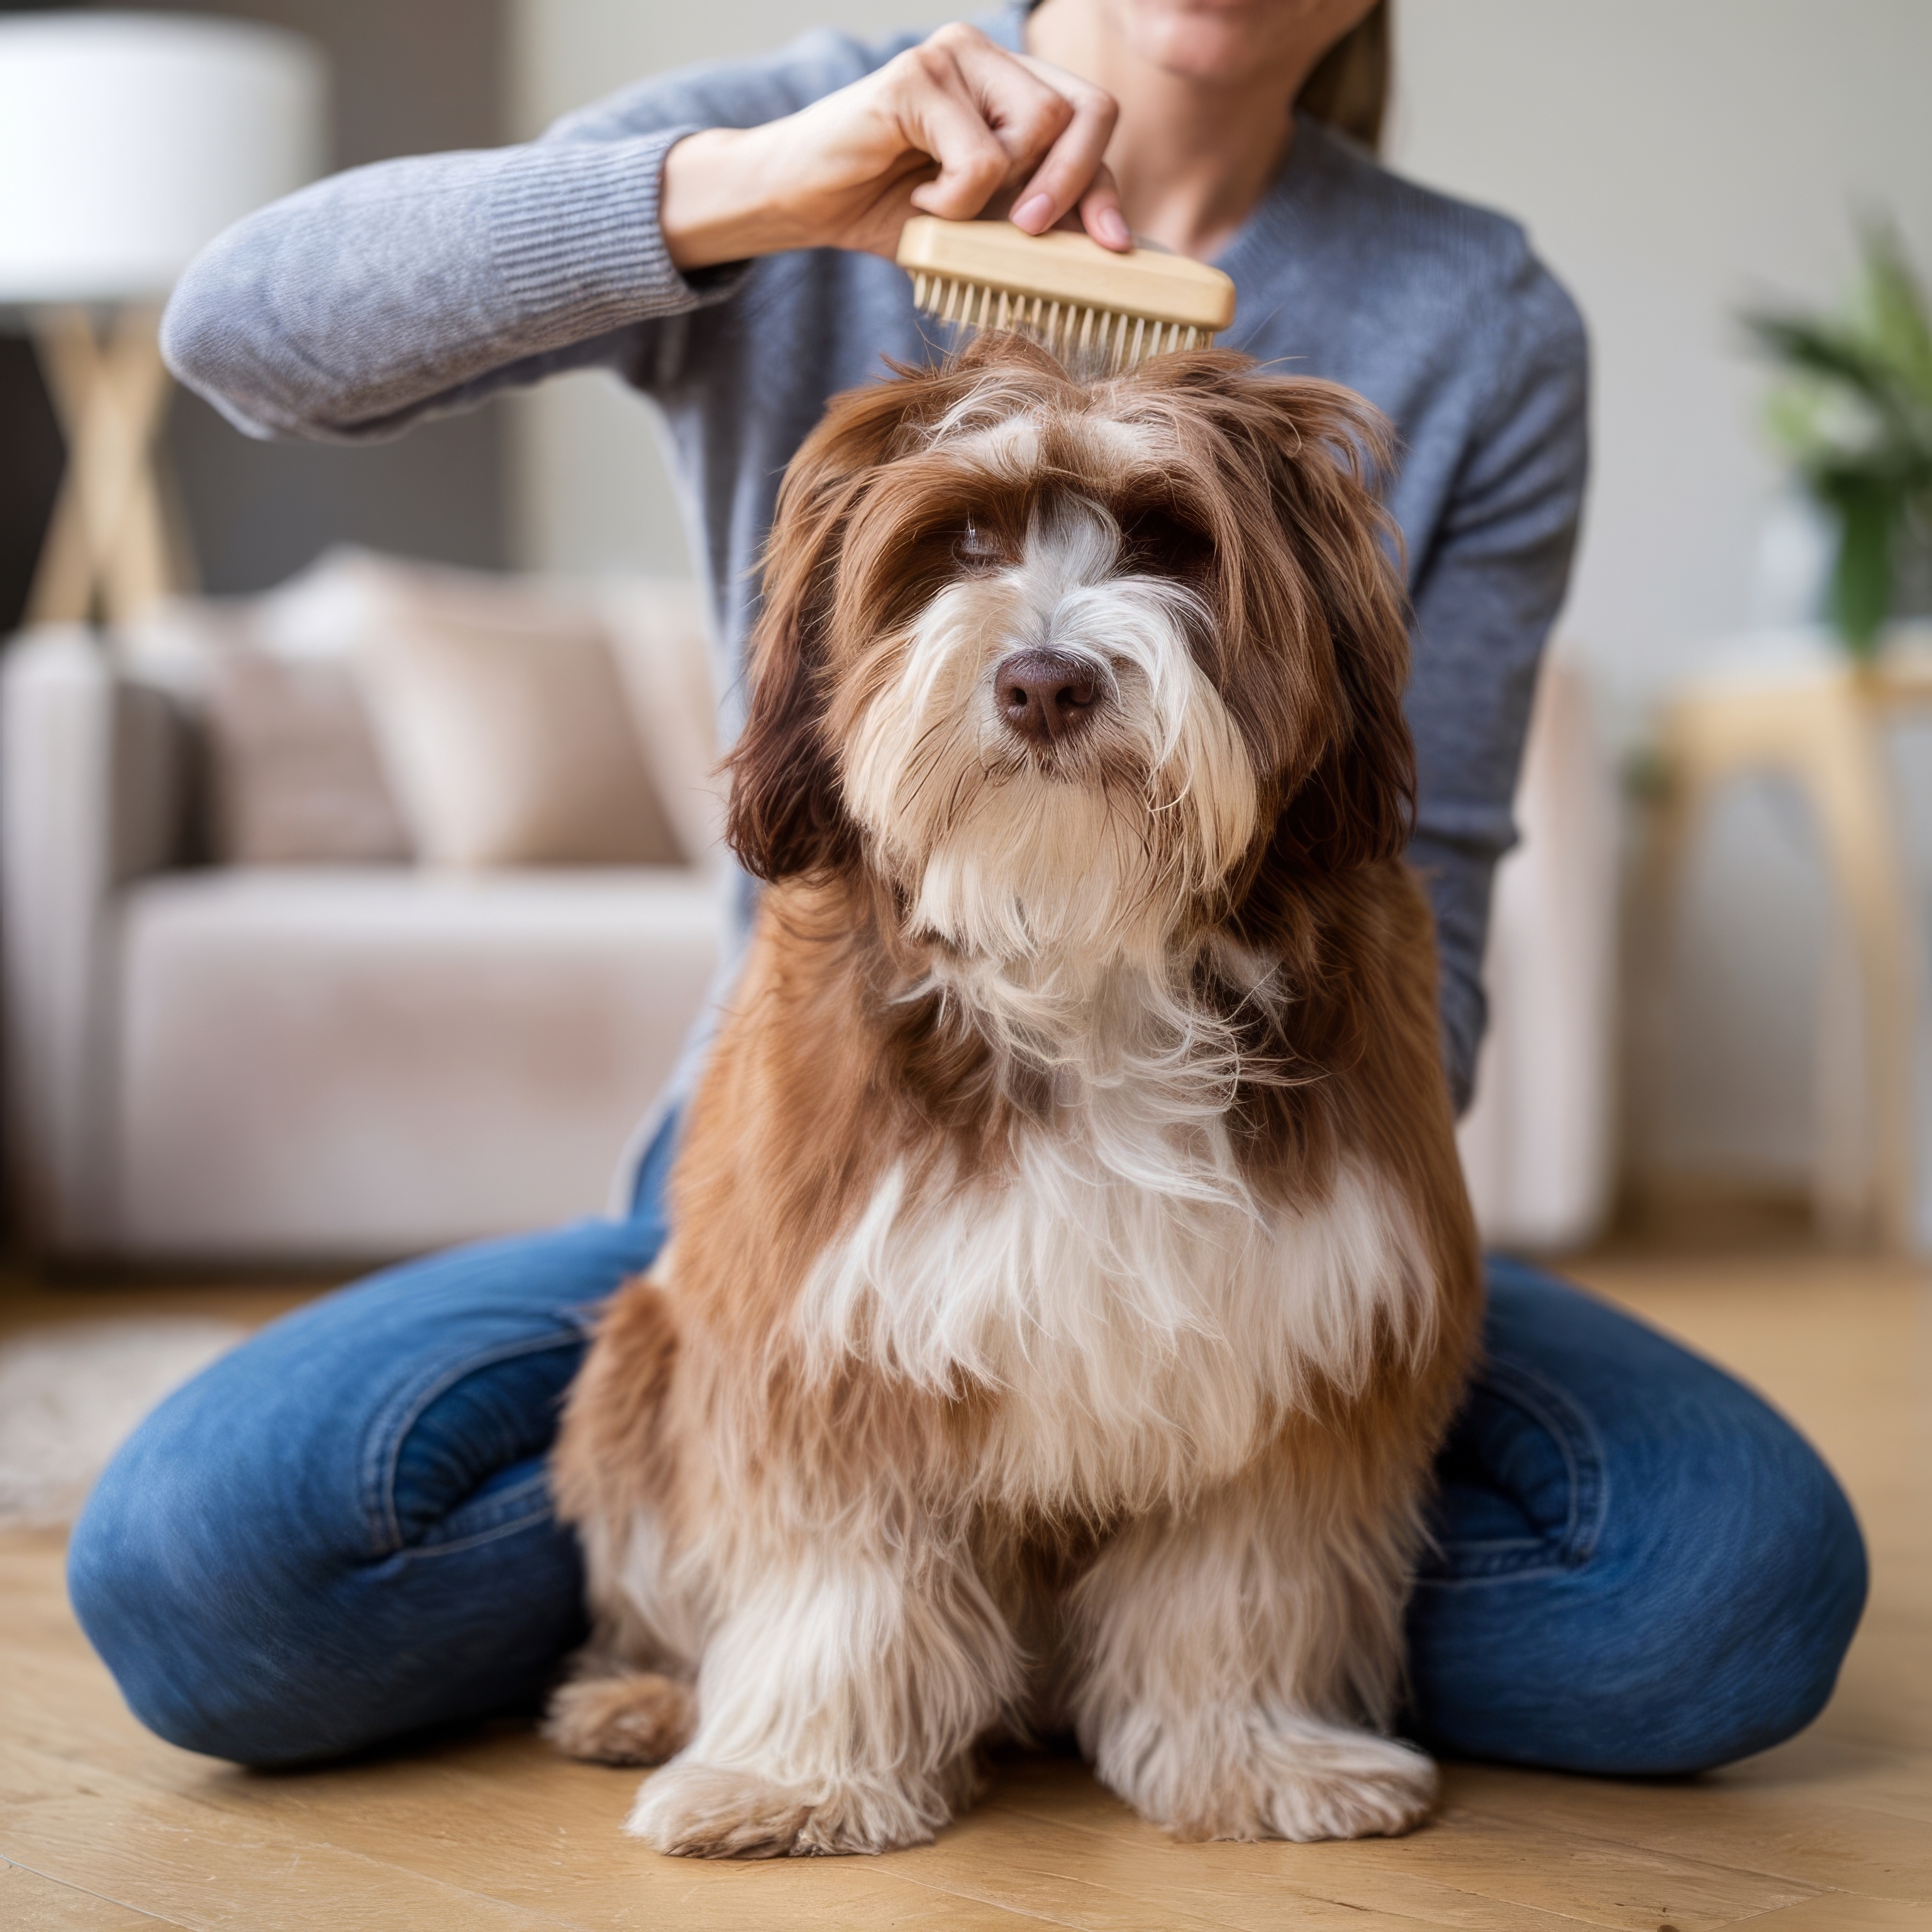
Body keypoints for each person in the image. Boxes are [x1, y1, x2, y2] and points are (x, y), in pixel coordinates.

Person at [69, 0, 1865, 1780]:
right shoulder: (797, 126)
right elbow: (246, 332)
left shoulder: (1482, 320)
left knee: (1721, 1603)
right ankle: (848, 1624)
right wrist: (760, 191)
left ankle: (1183, 1653)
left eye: (1160, 555)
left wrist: (1278, 1276)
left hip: (1264, 1128)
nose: (1053, 651)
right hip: (803, 1176)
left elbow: (1427, 871)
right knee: (202, 1580)